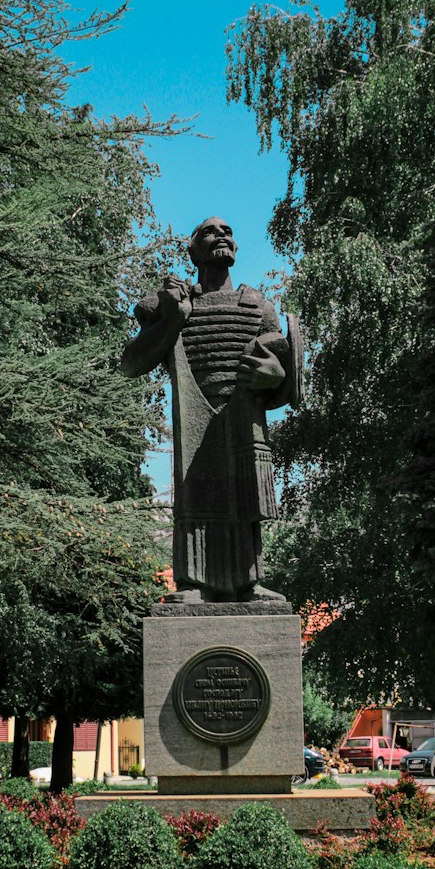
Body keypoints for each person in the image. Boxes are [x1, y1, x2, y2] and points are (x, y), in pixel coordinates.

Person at [122, 216, 300, 602]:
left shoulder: (259, 306)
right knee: (196, 497)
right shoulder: (175, 301)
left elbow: (282, 365)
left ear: (235, 249)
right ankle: (192, 583)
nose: (221, 234)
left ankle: (248, 582)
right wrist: (173, 320)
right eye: (209, 231)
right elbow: (131, 363)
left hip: (243, 414)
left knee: (245, 496)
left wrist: (274, 374)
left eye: (228, 231)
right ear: (192, 251)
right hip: (194, 411)